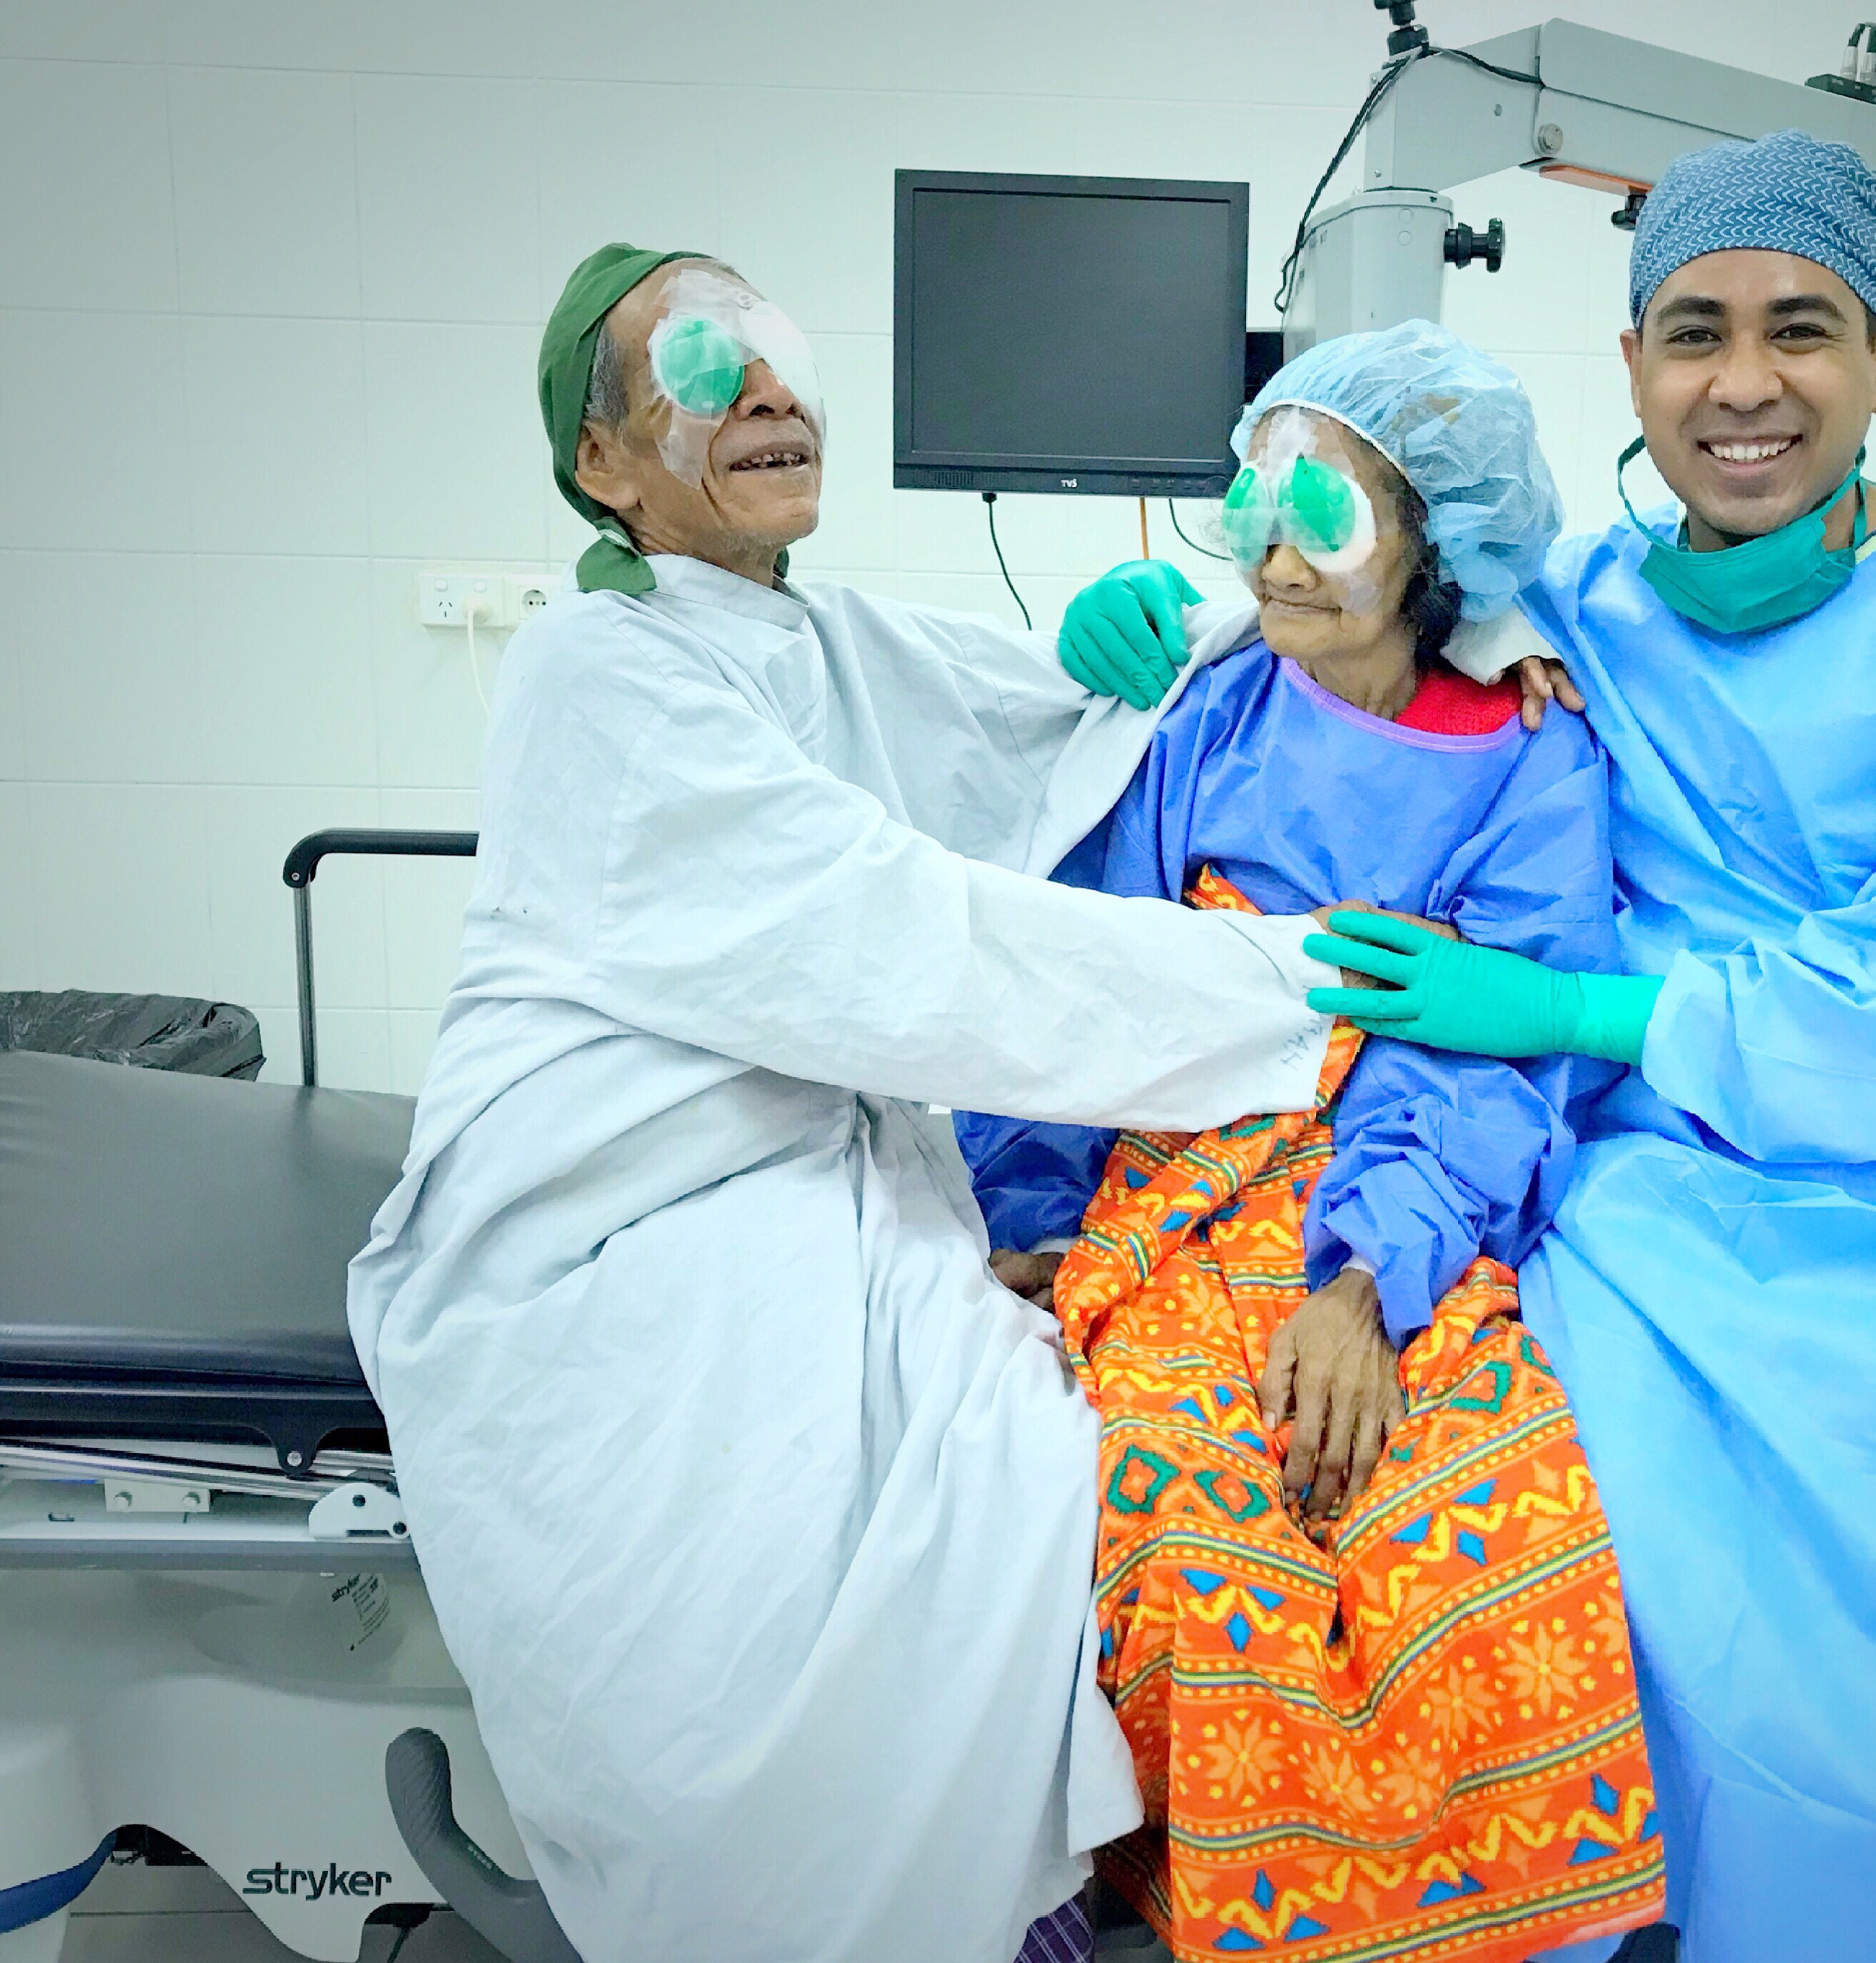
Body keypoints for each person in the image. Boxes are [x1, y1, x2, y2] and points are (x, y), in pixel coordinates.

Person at [1064, 133, 1876, 1963]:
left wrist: (1584, 1009)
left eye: (1803, 331)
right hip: (1644, 1172)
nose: (1744, 382)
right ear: (1628, 364)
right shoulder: (1582, 607)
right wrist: (1182, 623)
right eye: (1693, 332)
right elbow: (1364, 614)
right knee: (1569, 1503)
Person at [346, 245, 1353, 1963]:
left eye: (784, 354)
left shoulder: (816, 635)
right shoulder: (598, 673)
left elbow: (1029, 715)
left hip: (826, 1163)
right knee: (928, 1516)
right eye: (705, 363)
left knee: (997, 1447)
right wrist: (1314, 987)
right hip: (612, 1218)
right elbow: (912, 941)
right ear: (605, 463)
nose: (770, 390)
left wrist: (1202, 618)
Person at [960, 322, 1663, 1963]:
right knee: (1182, 1539)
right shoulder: (1209, 703)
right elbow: (1083, 973)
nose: (1274, 553)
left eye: (1325, 519)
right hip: (1169, 1189)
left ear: (1442, 546)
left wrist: (1363, 1287)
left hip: (1391, 1194)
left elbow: (1481, 1063)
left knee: (1490, 1535)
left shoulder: (1531, 757)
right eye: (1255, 508)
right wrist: (1017, 1212)